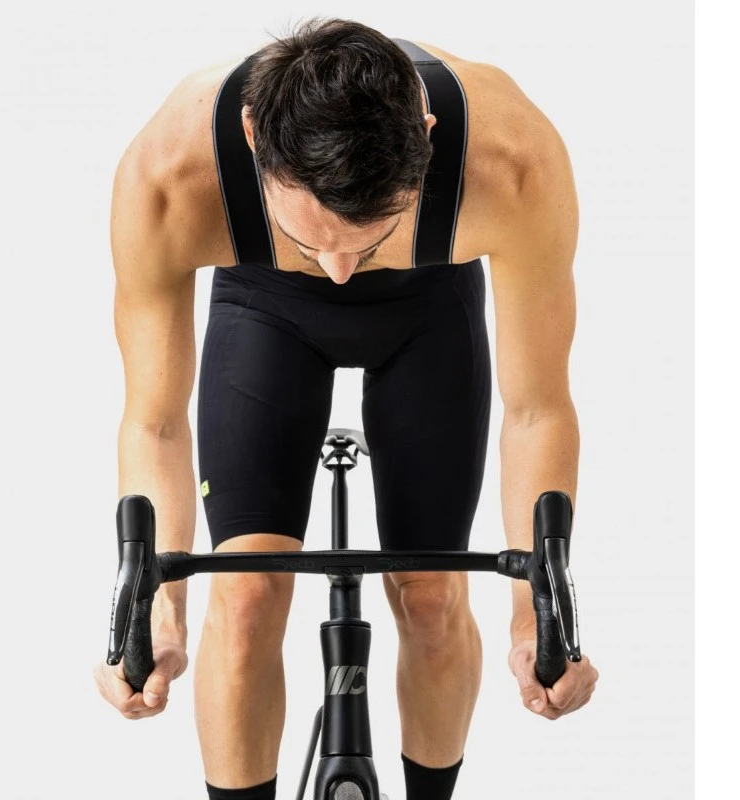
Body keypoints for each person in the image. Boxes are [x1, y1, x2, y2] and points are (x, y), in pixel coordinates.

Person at [93, 16, 599, 800]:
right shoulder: (170, 172)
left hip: (428, 308)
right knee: (246, 596)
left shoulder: (512, 160)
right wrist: (162, 609)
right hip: (264, 306)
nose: (336, 269)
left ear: (425, 137)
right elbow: (154, 421)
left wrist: (533, 611)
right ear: (253, 138)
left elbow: (536, 408)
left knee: (431, 597)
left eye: (367, 238)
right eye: (310, 239)